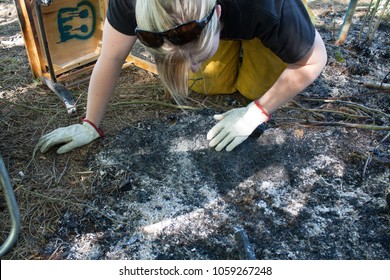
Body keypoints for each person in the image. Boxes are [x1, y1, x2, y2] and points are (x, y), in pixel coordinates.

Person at [37, 0, 327, 154]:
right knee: (207, 83)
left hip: (256, 16)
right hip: (226, 19)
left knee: (257, 88)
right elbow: (111, 57)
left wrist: (256, 112)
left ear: (218, 15)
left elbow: (313, 60)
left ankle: (274, 35)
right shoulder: (132, 3)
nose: (195, 67)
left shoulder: (265, 5)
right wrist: (90, 123)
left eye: (197, 58)